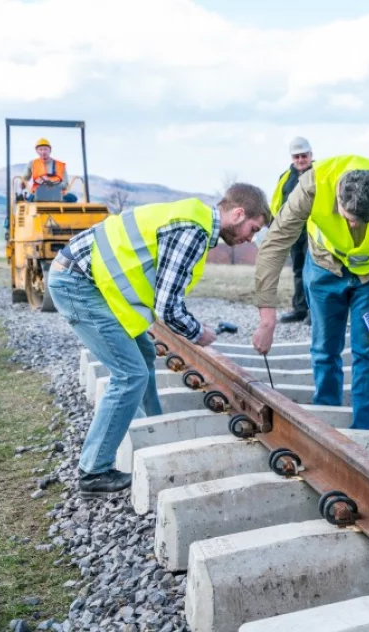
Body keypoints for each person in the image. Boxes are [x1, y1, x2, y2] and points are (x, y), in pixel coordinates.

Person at [47, 184, 272, 497]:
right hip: (79, 284)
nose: (251, 238)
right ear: (238, 214)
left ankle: (152, 428)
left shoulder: (193, 218)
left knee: (144, 353)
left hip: (89, 281)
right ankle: (93, 471)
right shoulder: (193, 230)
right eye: (253, 229)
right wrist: (198, 333)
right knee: (130, 375)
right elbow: (167, 307)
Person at [252, 155, 369, 430]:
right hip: (323, 268)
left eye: (364, 220)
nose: (355, 226)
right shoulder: (312, 186)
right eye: (350, 218)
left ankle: (366, 431)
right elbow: (275, 245)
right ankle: (326, 419)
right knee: (325, 348)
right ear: (339, 196)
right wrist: (267, 320)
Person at [269, 137, 314, 324]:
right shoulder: (285, 178)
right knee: (298, 271)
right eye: (297, 156)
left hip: (314, 233)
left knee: (313, 273)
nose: (300, 160)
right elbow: (278, 203)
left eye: (304, 155)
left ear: (310, 155)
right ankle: (300, 309)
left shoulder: (320, 174)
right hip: (294, 232)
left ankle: (314, 312)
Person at [22, 138, 78, 202]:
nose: (43, 152)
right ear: (37, 151)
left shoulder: (60, 165)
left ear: (50, 150)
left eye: (45, 149)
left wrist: (53, 186)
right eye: (40, 149)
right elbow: (24, 178)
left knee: (73, 198)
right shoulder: (32, 163)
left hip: (58, 193)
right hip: (37, 193)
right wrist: (22, 183)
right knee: (29, 201)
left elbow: (65, 184)